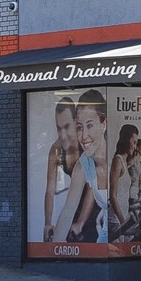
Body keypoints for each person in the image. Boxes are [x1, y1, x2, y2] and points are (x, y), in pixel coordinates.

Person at [57, 89, 110, 243]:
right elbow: (67, 213)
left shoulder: (116, 156)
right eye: (80, 128)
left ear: (104, 124)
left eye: (90, 125)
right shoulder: (83, 164)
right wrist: (53, 249)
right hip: (107, 234)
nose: (84, 136)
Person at [43, 97, 81, 242]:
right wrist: (47, 223)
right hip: (74, 202)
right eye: (59, 128)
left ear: (76, 122)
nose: (63, 135)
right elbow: (50, 190)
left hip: (93, 199)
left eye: (67, 127)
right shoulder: (56, 149)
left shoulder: (86, 143)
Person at [108, 124, 139, 242]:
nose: (135, 147)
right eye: (134, 142)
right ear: (126, 140)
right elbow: (112, 196)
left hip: (123, 217)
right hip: (116, 220)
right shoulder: (117, 160)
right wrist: (124, 223)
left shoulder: (125, 162)